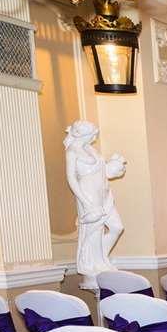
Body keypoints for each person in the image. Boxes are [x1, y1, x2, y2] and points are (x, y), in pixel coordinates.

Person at [65, 120, 127, 288]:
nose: (94, 138)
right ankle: (93, 264)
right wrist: (85, 201)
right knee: (94, 232)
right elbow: (71, 179)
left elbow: (103, 171)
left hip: (104, 194)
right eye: (92, 135)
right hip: (88, 195)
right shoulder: (72, 151)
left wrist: (114, 166)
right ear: (83, 134)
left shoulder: (90, 149)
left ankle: (100, 259)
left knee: (117, 227)